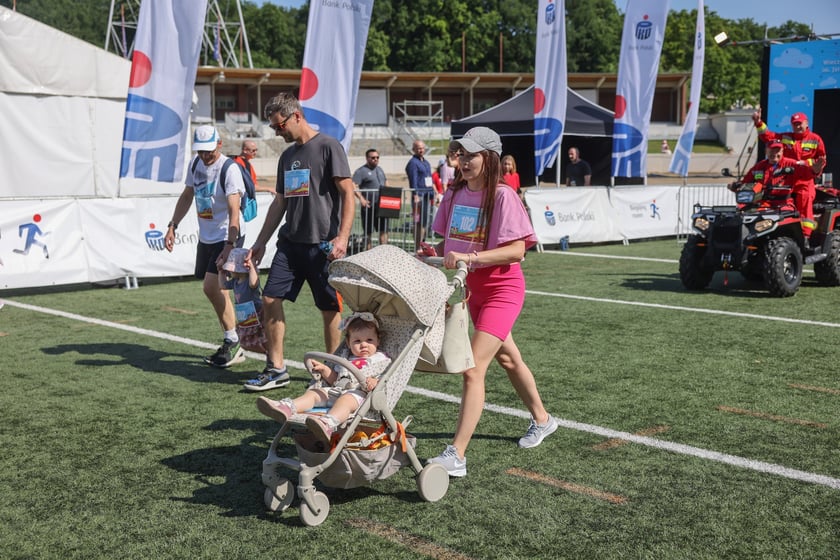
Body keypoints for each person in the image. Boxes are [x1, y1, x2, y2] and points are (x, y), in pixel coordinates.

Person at [424, 126, 557, 478]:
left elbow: (518, 251)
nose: (463, 161)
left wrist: (472, 258)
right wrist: (432, 253)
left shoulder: (502, 196)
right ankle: (543, 419)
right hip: (471, 291)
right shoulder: (453, 194)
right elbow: (449, 244)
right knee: (510, 360)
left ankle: (457, 455)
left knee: (472, 368)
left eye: (471, 155)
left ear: (490, 158)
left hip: (503, 291)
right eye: (461, 155)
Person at [243, 92, 356, 392]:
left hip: (323, 247)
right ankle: (276, 368)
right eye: (273, 128)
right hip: (290, 244)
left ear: (295, 116)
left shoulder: (329, 147)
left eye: (278, 126)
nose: (277, 132)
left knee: (330, 309)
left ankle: (333, 373)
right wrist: (261, 242)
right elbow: (279, 203)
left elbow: (348, 194)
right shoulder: (287, 156)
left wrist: (342, 237)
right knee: (269, 299)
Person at [164, 125, 246, 368]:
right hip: (206, 237)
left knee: (213, 287)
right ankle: (234, 338)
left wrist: (230, 244)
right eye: (200, 151)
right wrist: (173, 225)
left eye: (209, 151)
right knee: (216, 290)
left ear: (219, 144)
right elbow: (188, 195)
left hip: (226, 235)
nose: (205, 156)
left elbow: (234, 211)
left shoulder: (229, 169)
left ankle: (234, 340)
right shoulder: (194, 164)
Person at [255, 313, 391, 444]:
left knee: (346, 400)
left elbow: (386, 381)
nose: (364, 345)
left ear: (378, 341)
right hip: (337, 390)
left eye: (369, 340)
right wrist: (325, 370)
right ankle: (287, 407)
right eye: (357, 341)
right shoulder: (346, 358)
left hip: (359, 396)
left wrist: (375, 382)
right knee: (315, 393)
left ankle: (328, 423)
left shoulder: (381, 359)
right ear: (348, 343)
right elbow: (336, 381)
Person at [752, 111, 827, 239]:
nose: (797, 127)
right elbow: (768, 137)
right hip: (786, 181)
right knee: (770, 203)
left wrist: (813, 167)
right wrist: (758, 123)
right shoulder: (786, 137)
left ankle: (805, 237)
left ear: (806, 123)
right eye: (794, 124)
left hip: (805, 180)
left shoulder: (816, 139)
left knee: (805, 203)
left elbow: (821, 159)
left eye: (799, 124)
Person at [729, 141, 823, 211]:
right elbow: (746, 183)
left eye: (777, 150)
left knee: (782, 222)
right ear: (766, 151)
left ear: (782, 151)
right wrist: (735, 186)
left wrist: (815, 170)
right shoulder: (759, 166)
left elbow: (807, 175)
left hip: (784, 204)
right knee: (745, 215)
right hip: (763, 203)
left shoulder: (791, 164)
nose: (774, 154)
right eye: (771, 150)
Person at [218, 247, 267, 354]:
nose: (229, 270)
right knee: (245, 342)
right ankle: (267, 352)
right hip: (244, 315)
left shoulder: (249, 281)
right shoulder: (235, 281)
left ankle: (269, 353)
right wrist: (221, 272)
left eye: (232, 268)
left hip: (256, 314)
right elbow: (223, 285)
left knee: (261, 338)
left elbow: (254, 283)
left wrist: (251, 267)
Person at [352, 148, 389, 249]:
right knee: (368, 232)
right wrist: (361, 199)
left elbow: (386, 182)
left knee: (384, 230)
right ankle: (369, 255)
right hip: (368, 207)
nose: (375, 159)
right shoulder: (361, 171)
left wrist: (389, 195)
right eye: (373, 158)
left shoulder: (380, 169)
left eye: (377, 157)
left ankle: (384, 253)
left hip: (382, 206)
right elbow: (353, 185)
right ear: (367, 158)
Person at [405, 139, 434, 249]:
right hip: (419, 196)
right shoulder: (413, 163)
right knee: (418, 222)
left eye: (422, 148)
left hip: (427, 195)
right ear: (413, 149)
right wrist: (415, 194)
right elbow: (413, 179)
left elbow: (429, 178)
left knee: (425, 222)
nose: (420, 150)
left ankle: (423, 243)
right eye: (418, 148)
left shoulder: (425, 162)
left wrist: (433, 193)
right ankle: (418, 246)